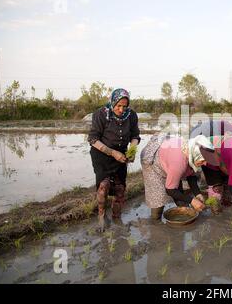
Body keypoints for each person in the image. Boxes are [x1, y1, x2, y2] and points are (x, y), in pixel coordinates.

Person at [88, 88, 141, 232]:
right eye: (118, 106)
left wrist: (132, 151)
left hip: (121, 156)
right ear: (112, 102)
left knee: (120, 188)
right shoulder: (101, 114)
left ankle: (117, 218)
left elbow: (135, 136)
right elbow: (93, 139)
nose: (121, 109)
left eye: (125, 106)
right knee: (103, 186)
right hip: (102, 155)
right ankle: (101, 216)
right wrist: (112, 153)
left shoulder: (131, 116)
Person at [140, 133, 219, 221]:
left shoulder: (190, 152)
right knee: (158, 198)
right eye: (203, 160)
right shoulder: (179, 164)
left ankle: (185, 211)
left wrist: (197, 194)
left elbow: (191, 175)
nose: (205, 164)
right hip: (153, 160)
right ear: (194, 154)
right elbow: (170, 190)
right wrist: (192, 200)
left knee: (179, 190)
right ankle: (155, 221)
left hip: (170, 156)